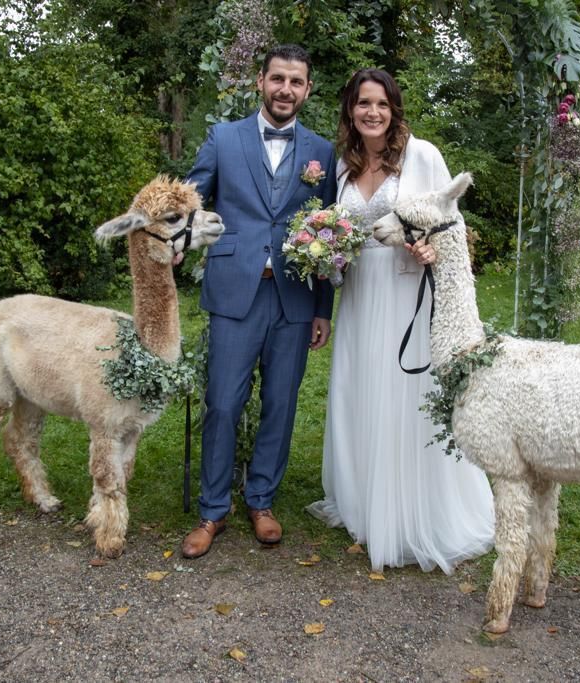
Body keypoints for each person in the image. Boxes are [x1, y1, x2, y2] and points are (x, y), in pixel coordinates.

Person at [305, 68, 495, 574]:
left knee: (408, 397)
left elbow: (452, 225)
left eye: (382, 105)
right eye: (364, 103)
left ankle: (417, 511)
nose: (373, 113)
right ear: (350, 109)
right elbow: (336, 229)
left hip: (408, 288)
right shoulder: (340, 168)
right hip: (362, 293)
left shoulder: (423, 156)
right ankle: (366, 501)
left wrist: (433, 247)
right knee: (362, 391)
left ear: (394, 110)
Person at [182, 44, 338, 558]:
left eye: (296, 82)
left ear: (307, 89)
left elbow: (330, 232)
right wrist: (170, 228)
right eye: (278, 79)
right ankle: (212, 511)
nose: (285, 90)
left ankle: (262, 500)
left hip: (293, 297)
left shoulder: (322, 152)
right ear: (260, 81)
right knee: (223, 403)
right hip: (233, 290)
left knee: (281, 405)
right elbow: (191, 197)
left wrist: (322, 309)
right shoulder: (224, 139)